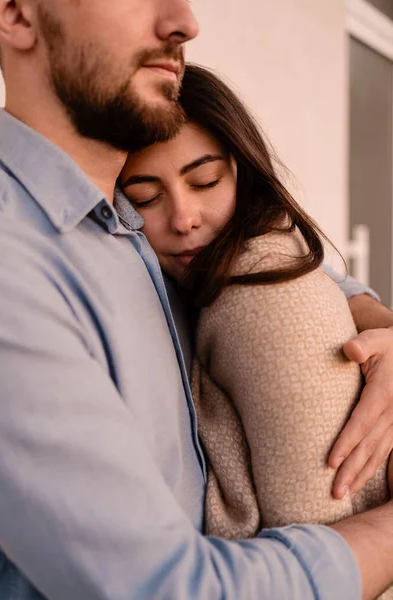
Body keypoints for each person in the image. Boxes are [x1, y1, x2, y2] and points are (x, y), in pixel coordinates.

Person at [0, 1, 393, 599]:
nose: (184, 20)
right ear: (17, 13)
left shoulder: (132, 231)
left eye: (206, 182)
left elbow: (283, 271)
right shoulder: (13, 270)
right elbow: (169, 591)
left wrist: (379, 326)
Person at [119, 64, 392, 558]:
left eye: (204, 181)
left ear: (242, 172)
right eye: (145, 198)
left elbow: (337, 284)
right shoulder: (122, 266)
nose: (183, 219)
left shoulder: (260, 269)